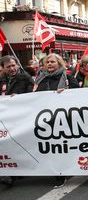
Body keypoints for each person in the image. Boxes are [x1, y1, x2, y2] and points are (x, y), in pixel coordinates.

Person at [33, 53, 79, 188]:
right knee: (51, 147)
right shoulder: (40, 78)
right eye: (47, 62)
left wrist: (66, 92)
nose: (49, 64)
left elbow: (79, 93)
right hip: (45, 119)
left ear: (59, 63)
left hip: (63, 117)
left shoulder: (68, 77)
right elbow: (33, 95)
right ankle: (58, 172)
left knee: (62, 145)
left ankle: (63, 172)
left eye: (52, 62)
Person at [0, 56, 34, 187]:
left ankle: (15, 172)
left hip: (21, 118)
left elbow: (32, 95)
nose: (12, 68)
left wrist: (20, 98)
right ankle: (10, 173)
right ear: (3, 68)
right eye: (8, 67)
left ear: (18, 65)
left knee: (19, 144)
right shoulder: (1, 79)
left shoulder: (25, 78)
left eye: (14, 65)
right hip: (5, 117)